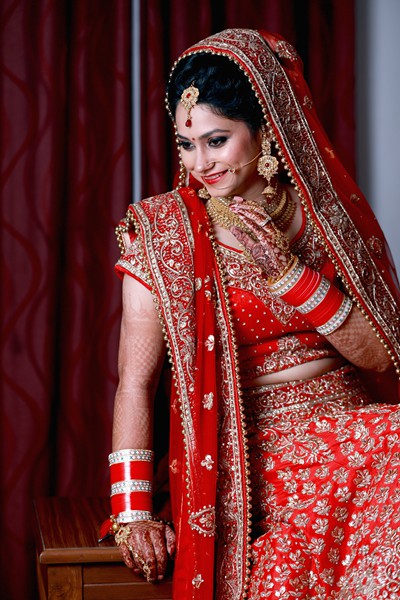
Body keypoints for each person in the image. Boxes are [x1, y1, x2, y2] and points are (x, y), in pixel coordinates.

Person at [102, 28, 400, 599]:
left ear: (264, 128)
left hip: (357, 425)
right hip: (254, 450)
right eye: (186, 144)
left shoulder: (322, 218)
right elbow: (135, 381)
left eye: (217, 140)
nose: (201, 163)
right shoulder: (164, 234)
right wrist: (133, 511)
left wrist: (290, 275)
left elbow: (384, 357)